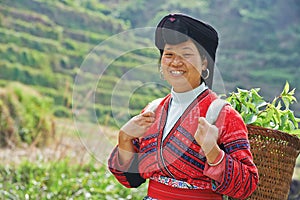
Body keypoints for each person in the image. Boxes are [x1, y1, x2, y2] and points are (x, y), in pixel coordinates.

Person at [108, 13, 259, 199]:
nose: (175, 62)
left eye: (186, 54)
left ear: (204, 62)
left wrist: (213, 152)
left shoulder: (222, 114)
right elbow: (131, 179)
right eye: (169, 54)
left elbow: (247, 186)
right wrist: (124, 138)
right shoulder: (153, 110)